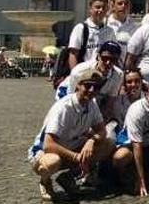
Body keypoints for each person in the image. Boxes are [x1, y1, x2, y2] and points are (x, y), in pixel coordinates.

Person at [28, 69, 114, 200]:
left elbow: (102, 130)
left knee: (108, 144)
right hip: (45, 152)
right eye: (87, 85)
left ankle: (68, 178)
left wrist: (92, 141)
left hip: (72, 147)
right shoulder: (64, 107)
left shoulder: (92, 104)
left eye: (96, 87)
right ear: (78, 85)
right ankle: (45, 181)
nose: (91, 90)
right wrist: (76, 157)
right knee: (52, 162)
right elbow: (48, 144)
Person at [56, 42, 124, 125]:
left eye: (113, 60)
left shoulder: (118, 75)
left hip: (94, 98)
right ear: (98, 56)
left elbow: (109, 104)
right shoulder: (80, 70)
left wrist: (100, 125)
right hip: (67, 92)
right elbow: (71, 100)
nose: (108, 63)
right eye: (105, 58)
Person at [68, 0, 116, 70]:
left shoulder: (110, 31)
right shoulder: (80, 28)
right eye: (97, 7)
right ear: (90, 9)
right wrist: (75, 75)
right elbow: (73, 54)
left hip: (103, 73)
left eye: (104, 8)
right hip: (85, 72)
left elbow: (113, 53)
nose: (101, 10)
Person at [108, 68, 144, 143]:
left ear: (141, 82)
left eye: (137, 81)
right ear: (124, 85)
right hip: (124, 136)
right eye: (129, 82)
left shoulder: (148, 101)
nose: (133, 85)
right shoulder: (118, 102)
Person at [107, 0, 139, 64]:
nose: (123, 6)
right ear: (113, 6)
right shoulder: (105, 23)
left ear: (130, 7)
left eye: (126, 4)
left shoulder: (136, 28)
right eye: (120, 3)